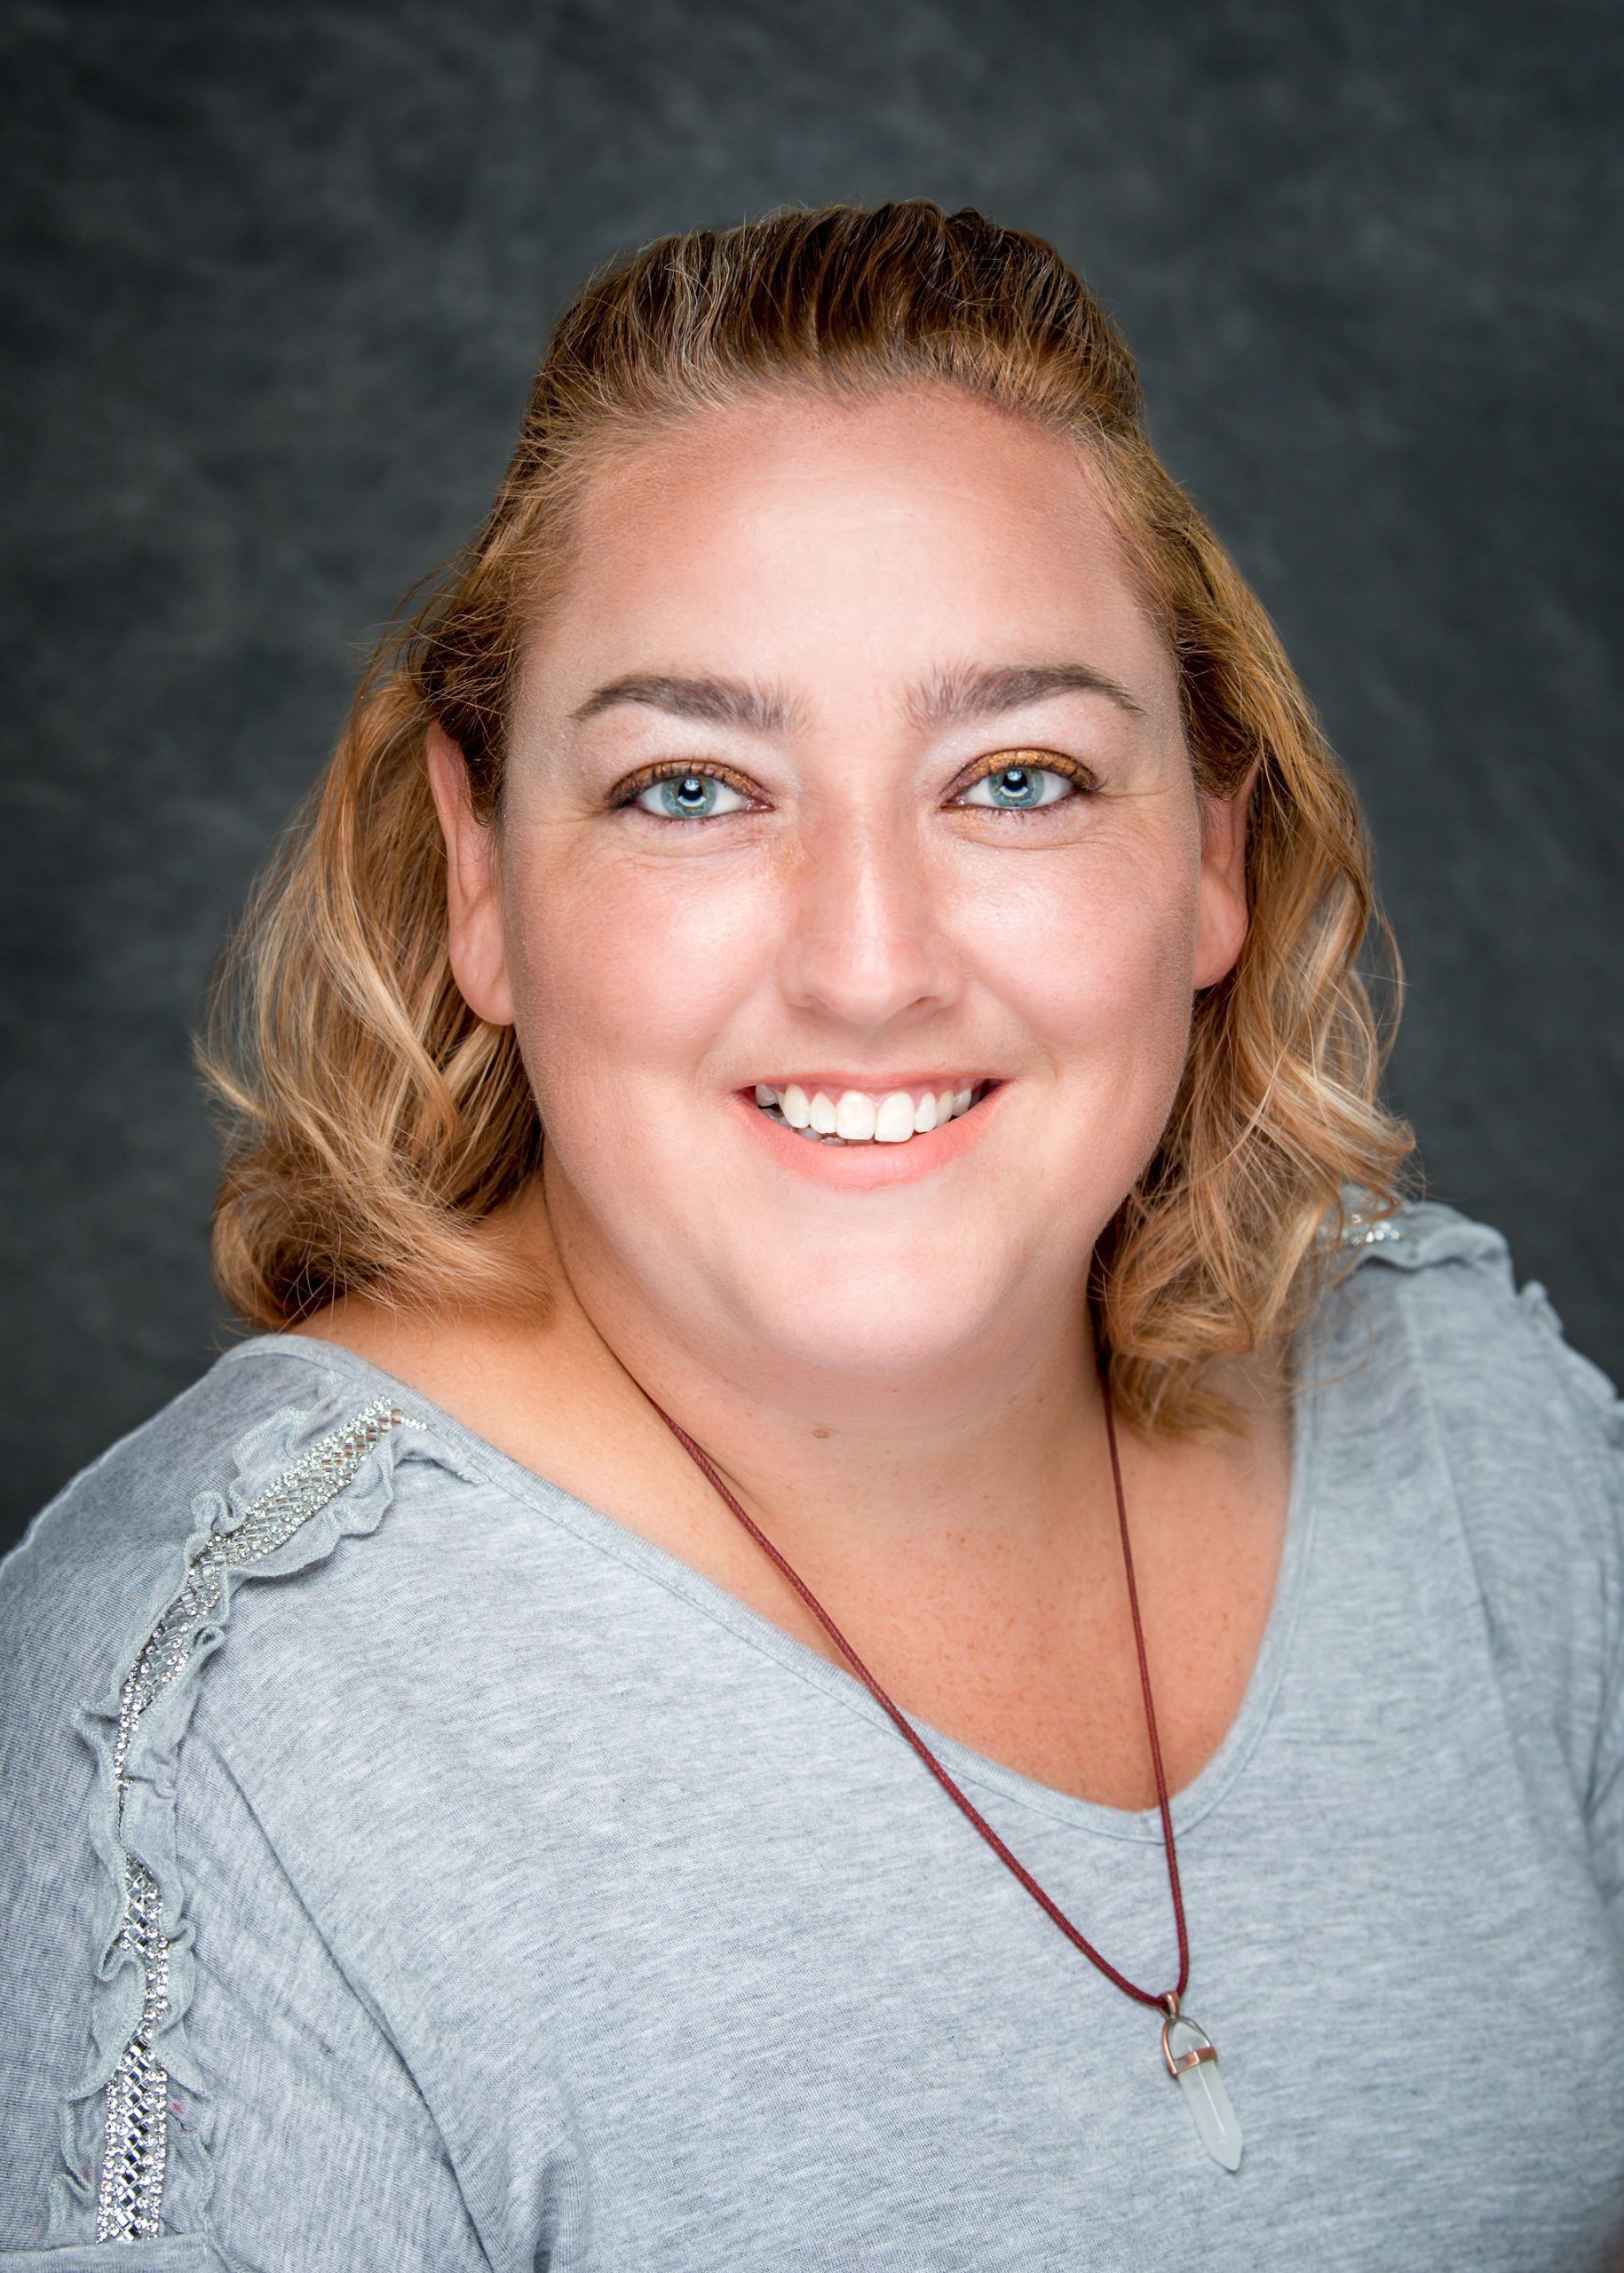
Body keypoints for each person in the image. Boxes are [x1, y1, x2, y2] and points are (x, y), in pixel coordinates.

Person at [2, 198, 1620, 2272]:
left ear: (1214, 851)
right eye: (692, 788)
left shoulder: (1474, 1419)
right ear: (480, 873)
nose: (870, 967)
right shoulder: (211, 1728)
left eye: (1018, 776)